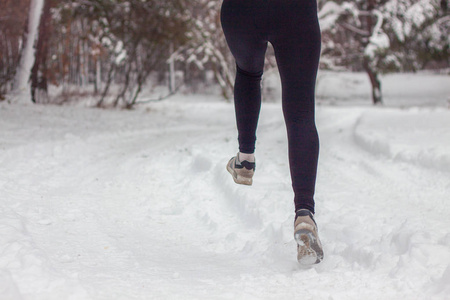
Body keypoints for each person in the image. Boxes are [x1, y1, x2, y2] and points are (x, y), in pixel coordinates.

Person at [221, 0, 324, 264]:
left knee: (247, 72)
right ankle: (304, 214)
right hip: (295, 10)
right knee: (301, 112)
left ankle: (245, 159)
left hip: (242, 11)